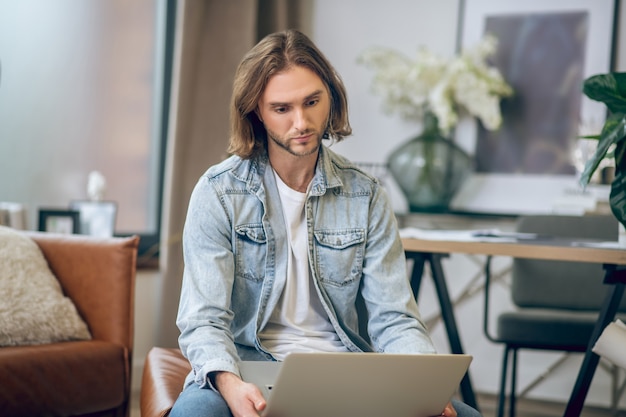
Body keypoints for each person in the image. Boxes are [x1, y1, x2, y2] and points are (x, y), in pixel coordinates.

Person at [170, 29, 482, 417]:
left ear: (329, 98)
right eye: (282, 109)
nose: (301, 122)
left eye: (312, 102)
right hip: (245, 368)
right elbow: (204, 319)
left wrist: (424, 390)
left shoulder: (366, 195)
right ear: (256, 113)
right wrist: (229, 383)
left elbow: (394, 317)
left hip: (346, 371)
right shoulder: (217, 193)